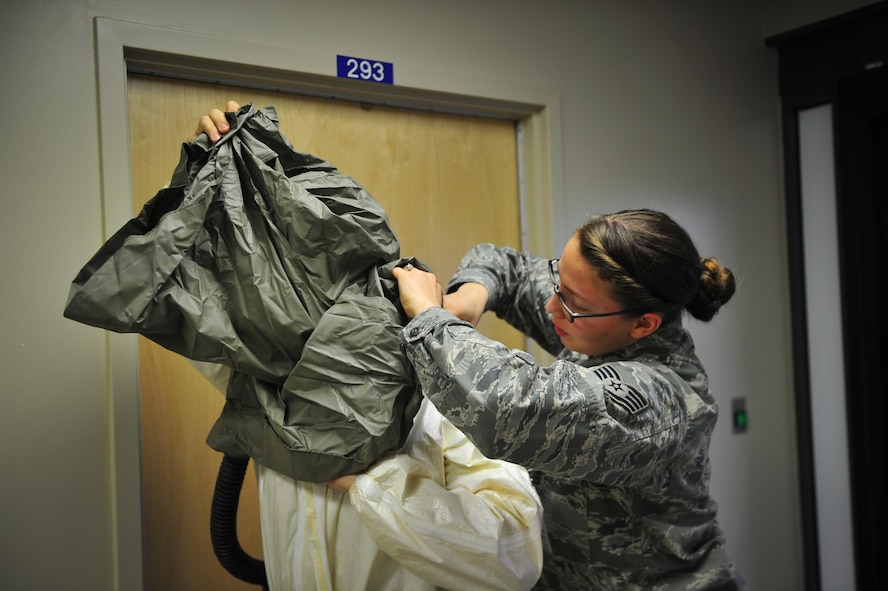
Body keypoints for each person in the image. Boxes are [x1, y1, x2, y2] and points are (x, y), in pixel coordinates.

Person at [191, 103, 544, 591]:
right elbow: (201, 306)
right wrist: (216, 174)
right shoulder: (262, 371)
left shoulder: (449, 385)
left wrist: (363, 485)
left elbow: (513, 554)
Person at [391, 209, 747, 590]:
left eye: (572, 302)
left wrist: (429, 317)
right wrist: (471, 296)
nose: (551, 306)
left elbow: (506, 408)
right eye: (557, 283)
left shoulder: (661, 403)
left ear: (644, 324)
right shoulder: (596, 318)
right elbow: (504, 264)